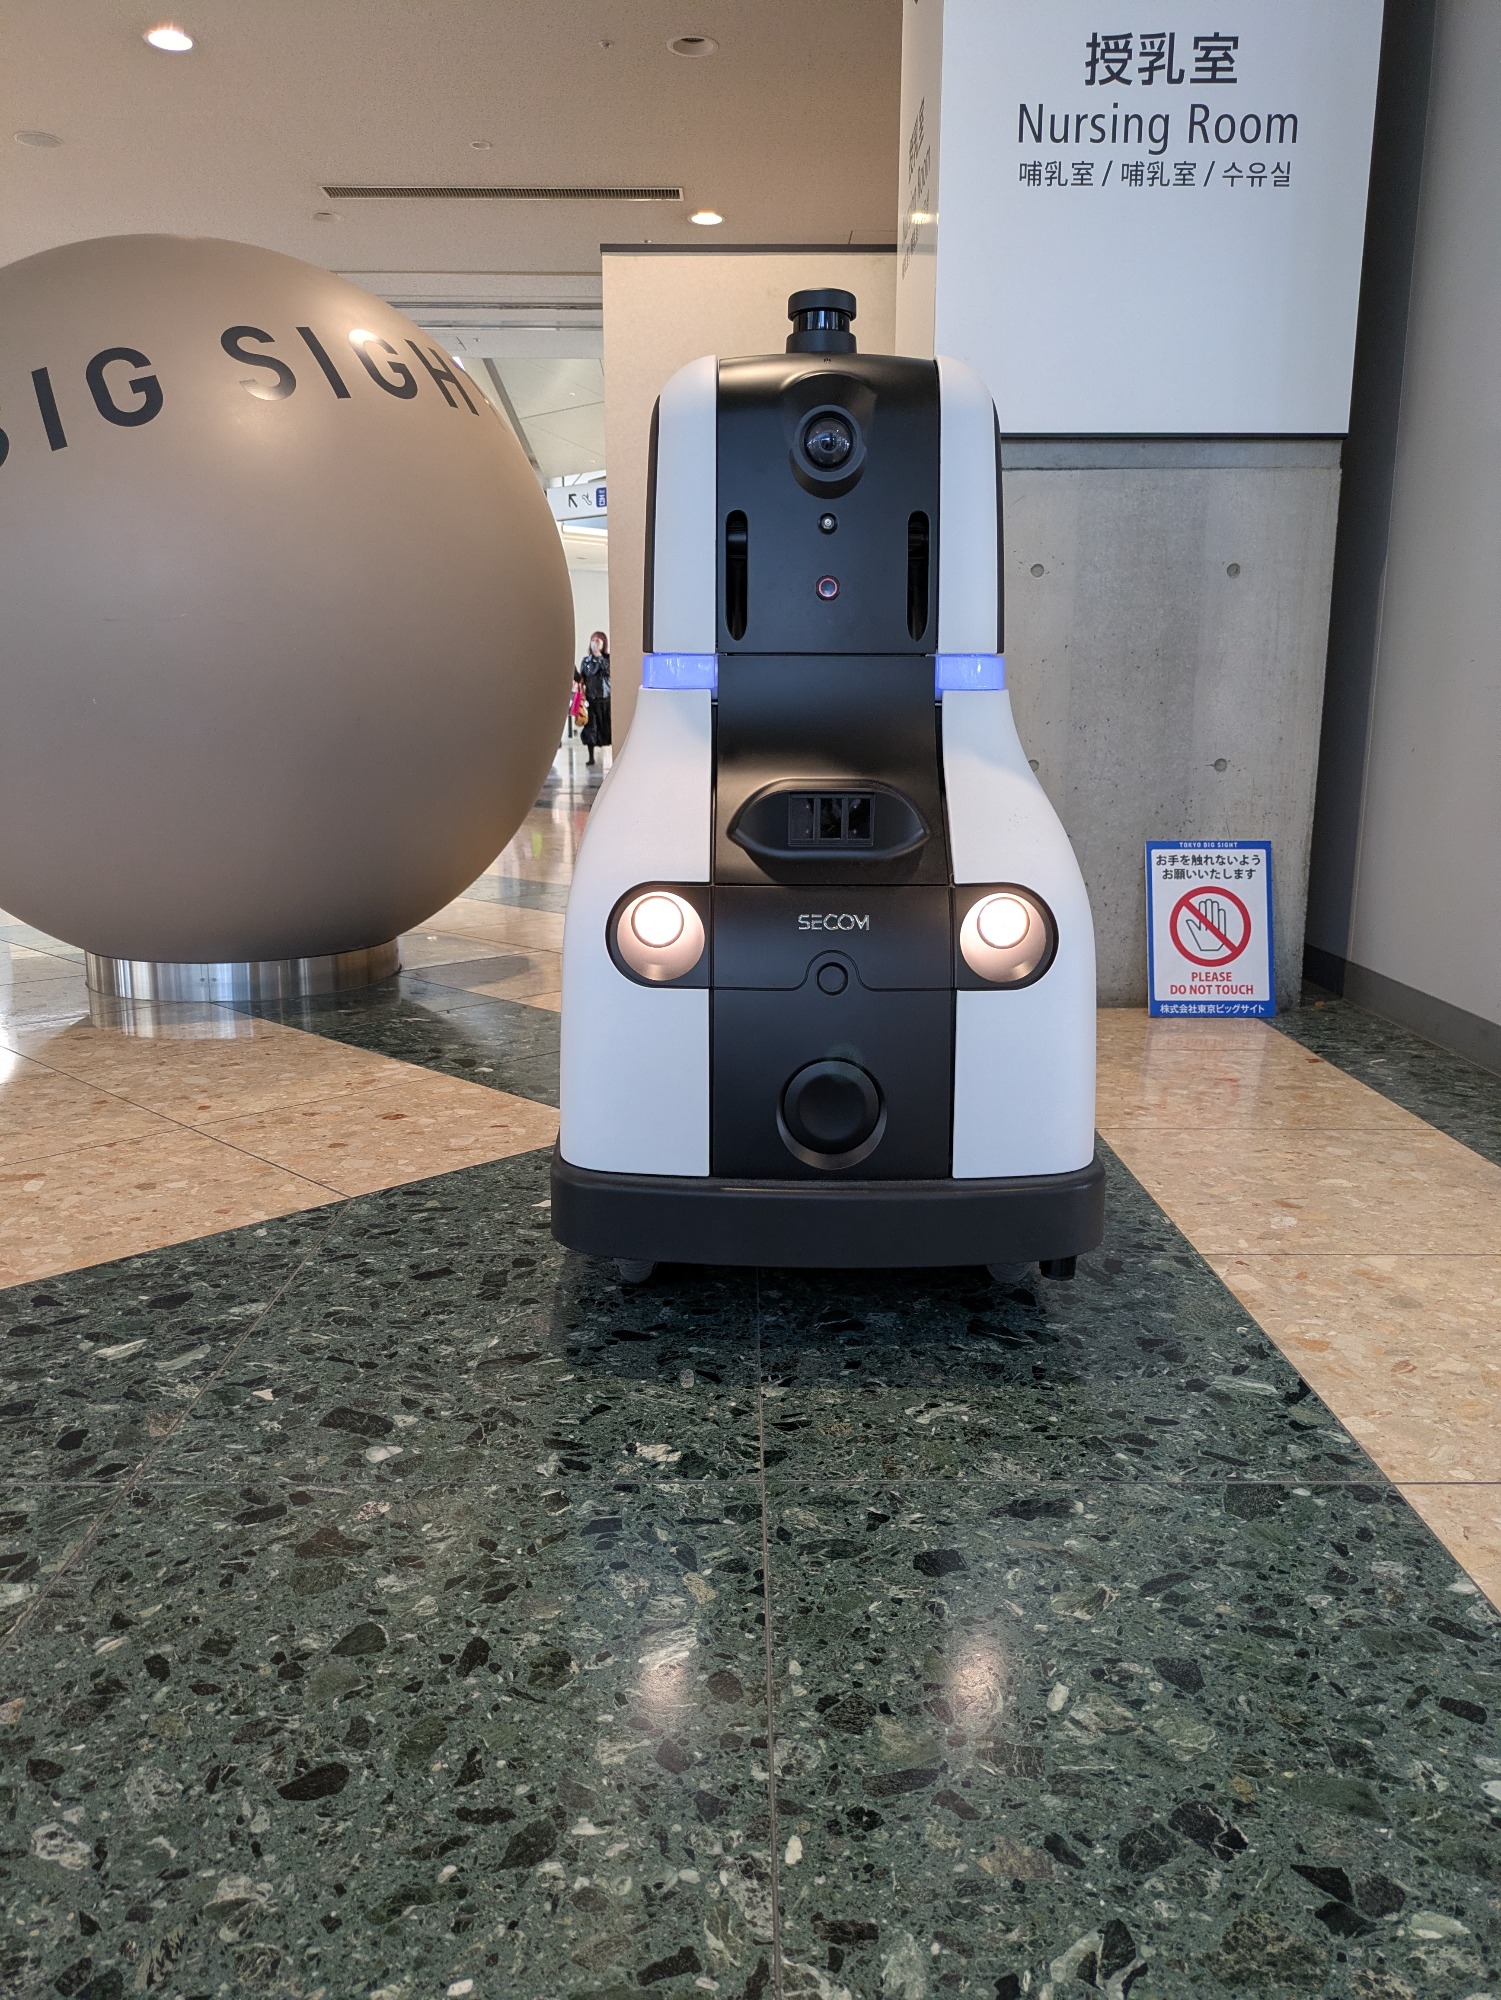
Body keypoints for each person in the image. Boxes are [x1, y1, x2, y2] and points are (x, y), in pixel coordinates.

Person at [575, 630, 612, 766]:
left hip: (606, 699)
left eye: (598, 641)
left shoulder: (608, 659)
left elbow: (609, 671)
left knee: (608, 728)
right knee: (591, 729)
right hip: (591, 700)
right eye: (593, 641)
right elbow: (582, 679)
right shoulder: (586, 661)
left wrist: (599, 657)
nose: (594, 644)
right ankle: (591, 757)